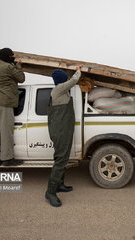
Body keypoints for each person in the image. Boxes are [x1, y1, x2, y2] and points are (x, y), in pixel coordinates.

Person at [45, 66, 82, 207]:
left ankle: (60, 185)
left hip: (63, 130)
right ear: (61, 80)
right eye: (64, 78)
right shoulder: (59, 89)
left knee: (63, 158)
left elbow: (69, 83)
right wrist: (78, 70)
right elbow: (73, 81)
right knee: (61, 160)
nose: (66, 79)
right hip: (60, 131)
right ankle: (50, 192)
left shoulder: (62, 91)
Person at [0, 48, 25, 168]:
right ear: (8, 57)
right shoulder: (9, 67)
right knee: (6, 130)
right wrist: (18, 66)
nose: (13, 57)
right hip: (5, 102)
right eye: (12, 56)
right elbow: (21, 78)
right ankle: (7, 158)